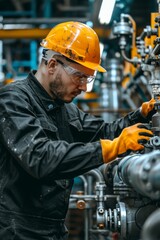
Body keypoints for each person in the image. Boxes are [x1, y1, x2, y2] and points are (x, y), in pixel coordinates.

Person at [0, 21, 155, 240]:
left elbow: (106, 132)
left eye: (87, 79)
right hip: (17, 230)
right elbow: (40, 157)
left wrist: (140, 115)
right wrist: (113, 147)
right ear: (52, 64)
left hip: (53, 229)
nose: (83, 87)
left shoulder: (65, 110)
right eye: (79, 76)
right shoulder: (13, 101)